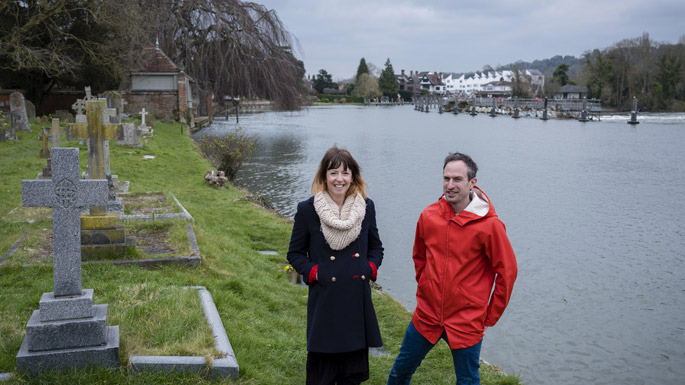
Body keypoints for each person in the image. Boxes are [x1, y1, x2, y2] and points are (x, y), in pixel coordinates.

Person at [387, 152, 518, 385]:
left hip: (467, 319)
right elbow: (419, 256)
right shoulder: (429, 215)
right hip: (427, 314)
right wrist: (426, 286)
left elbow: (507, 272)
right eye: (446, 178)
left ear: (472, 183)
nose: (450, 185)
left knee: (467, 380)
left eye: (457, 179)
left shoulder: (490, 226)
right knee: (399, 372)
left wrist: (490, 315)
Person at [287, 146, 384, 385]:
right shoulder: (307, 210)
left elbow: (376, 248)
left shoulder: (366, 207)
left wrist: (369, 268)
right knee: (321, 377)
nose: (339, 179)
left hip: (356, 300)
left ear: (353, 177)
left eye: (345, 173)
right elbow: (295, 253)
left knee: (351, 377)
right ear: (324, 177)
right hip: (325, 301)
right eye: (333, 173)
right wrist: (314, 272)